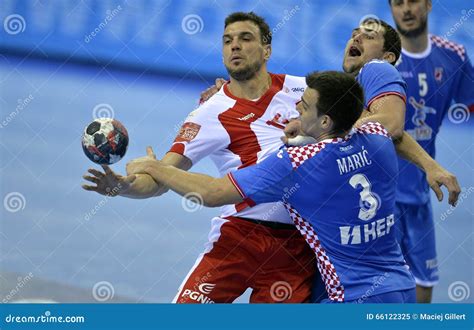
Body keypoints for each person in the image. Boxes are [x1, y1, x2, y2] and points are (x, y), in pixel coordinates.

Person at [84, 12, 317, 303]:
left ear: (267, 50)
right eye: (227, 41)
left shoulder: (305, 90)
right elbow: (161, 177)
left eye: (246, 39)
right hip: (239, 239)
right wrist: (125, 187)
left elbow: (352, 113)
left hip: (296, 244)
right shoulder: (208, 113)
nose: (235, 46)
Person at [126, 71, 417, 303]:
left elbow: (213, 193)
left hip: (351, 297)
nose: (296, 111)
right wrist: (431, 166)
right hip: (401, 286)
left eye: (303, 108)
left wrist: (155, 167)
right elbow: (371, 121)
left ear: (325, 120)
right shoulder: (377, 137)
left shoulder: (297, 162)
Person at [389, 0, 474, 303]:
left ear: (428, 4)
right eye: (397, 3)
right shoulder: (380, 63)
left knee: (423, 294)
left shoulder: (453, 56)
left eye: (413, 1)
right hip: (377, 199)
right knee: (379, 296)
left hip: (421, 196)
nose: (406, 9)